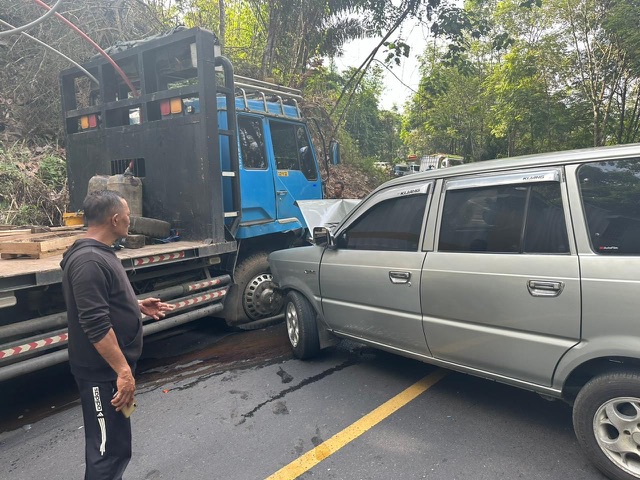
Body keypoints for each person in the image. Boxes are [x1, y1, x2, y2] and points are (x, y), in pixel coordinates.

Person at [60, 190, 174, 480]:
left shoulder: (100, 254)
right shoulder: (88, 261)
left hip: (113, 371)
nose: (129, 220)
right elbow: (95, 323)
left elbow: (102, 301)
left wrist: (136, 306)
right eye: (126, 214)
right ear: (114, 219)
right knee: (105, 452)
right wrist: (123, 372)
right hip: (103, 375)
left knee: (118, 447)